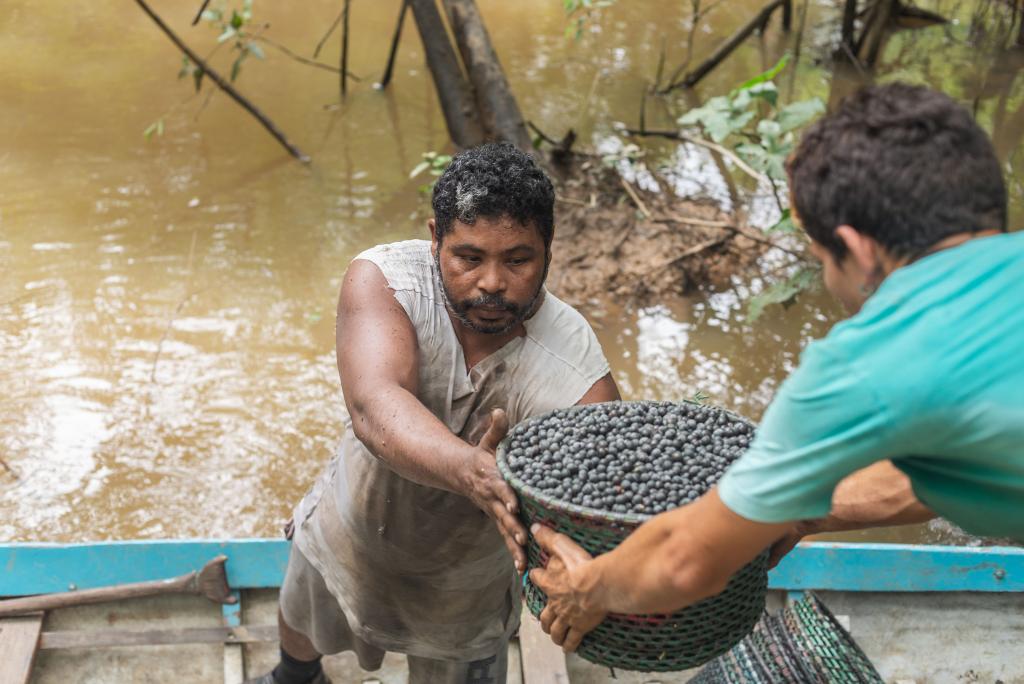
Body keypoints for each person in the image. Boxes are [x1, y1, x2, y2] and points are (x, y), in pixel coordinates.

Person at [528, 83, 1024, 653]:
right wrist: (795, 509)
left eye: (819, 261)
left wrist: (590, 589)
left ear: (857, 250)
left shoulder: (865, 361)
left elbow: (688, 562)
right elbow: (953, 462)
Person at [246, 142, 619, 684]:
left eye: (518, 260)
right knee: (306, 619)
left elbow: (604, 486)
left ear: (549, 250)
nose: (492, 282)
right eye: (469, 258)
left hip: (468, 569)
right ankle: (295, 675)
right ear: (434, 240)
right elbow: (374, 406)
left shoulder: (572, 360)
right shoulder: (387, 280)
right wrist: (474, 470)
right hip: (356, 521)